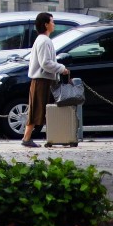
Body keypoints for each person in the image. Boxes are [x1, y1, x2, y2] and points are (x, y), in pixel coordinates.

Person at [23, 10, 72, 147]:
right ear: (46, 25)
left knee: (39, 110)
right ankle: (29, 139)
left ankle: (33, 138)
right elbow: (45, 62)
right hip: (42, 80)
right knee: (43, 109)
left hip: (40, 80)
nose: (54, 24)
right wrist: (62, 68)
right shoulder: (45, 41)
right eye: (52, 21)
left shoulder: (41, 40)